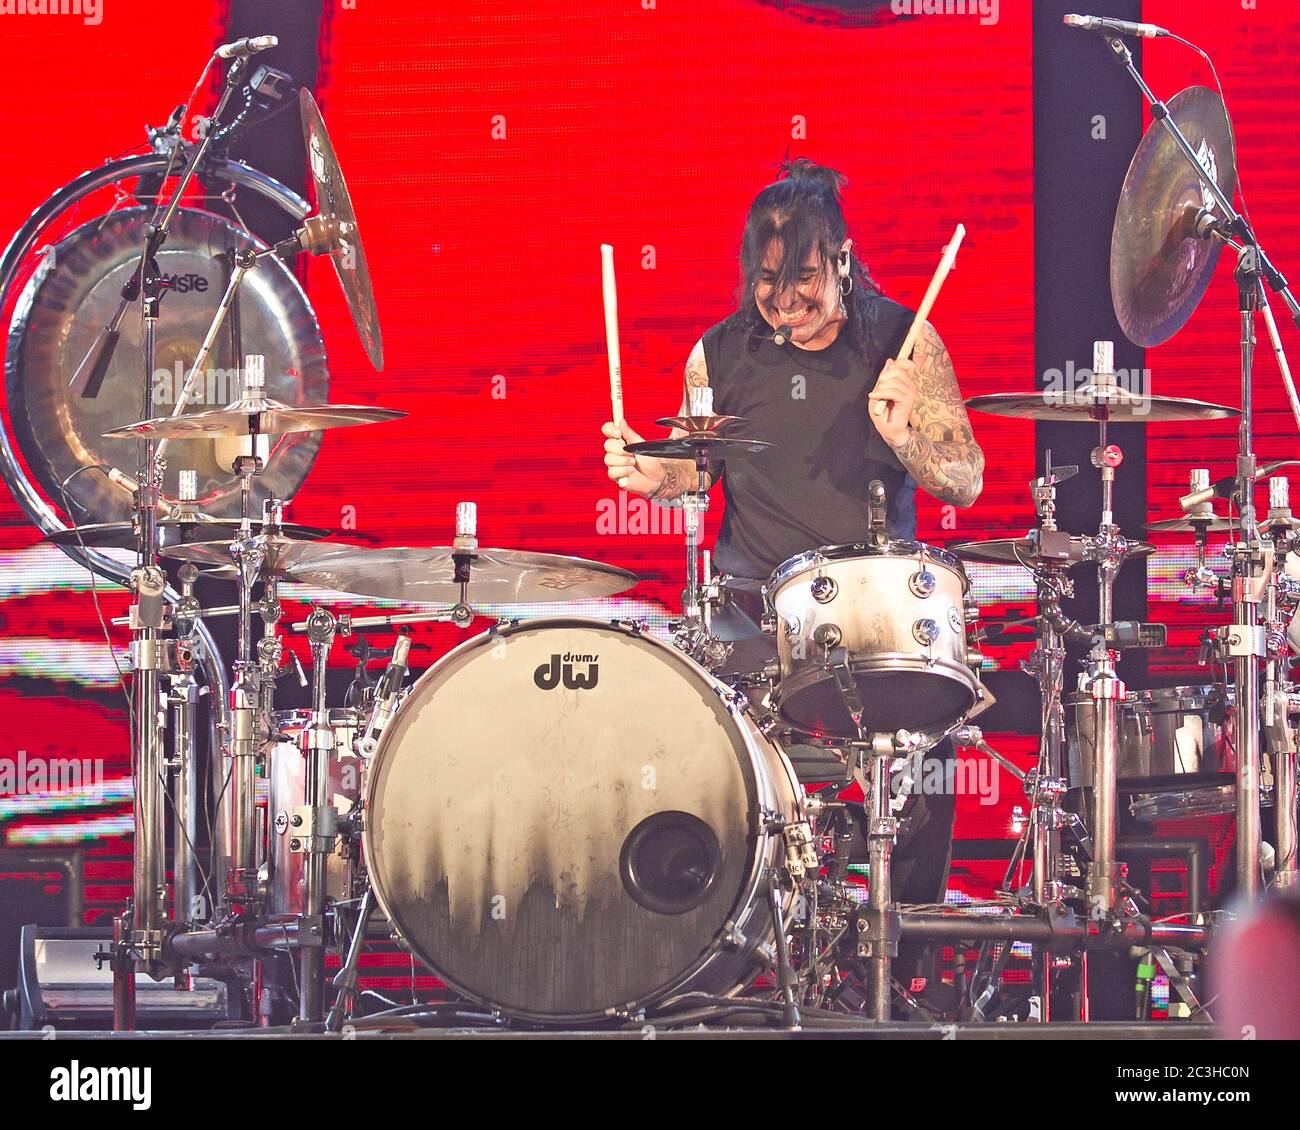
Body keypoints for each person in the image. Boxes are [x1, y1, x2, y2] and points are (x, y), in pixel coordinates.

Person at [600, 159, 986, 1005]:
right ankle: (728, 970)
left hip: (877, 619)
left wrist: (910, 435)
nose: (783, 302)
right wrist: (647, 473)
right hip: (751, 617)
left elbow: (966, 476)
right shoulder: (719, 352)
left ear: (842, 259)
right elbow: (693, 474)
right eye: (767, 281)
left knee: (930, 766)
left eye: (803, 279)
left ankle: (902, 971)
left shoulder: (904, 341)